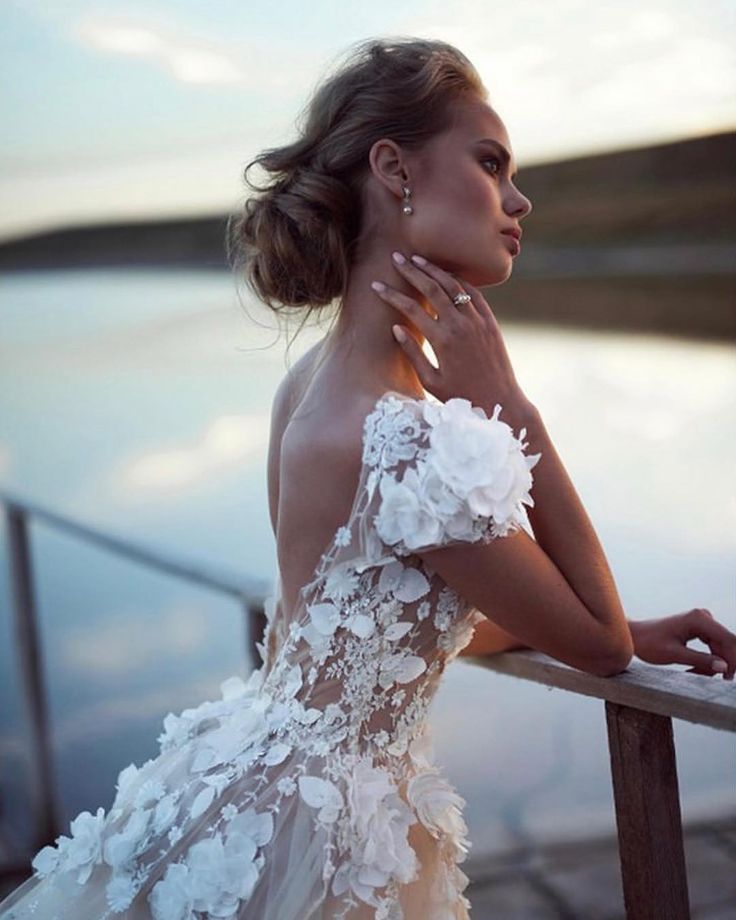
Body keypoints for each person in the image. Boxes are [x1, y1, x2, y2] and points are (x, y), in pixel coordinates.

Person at [1, 35, 733, 920]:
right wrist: (513, 408)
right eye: (492, 162)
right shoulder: (404, 438)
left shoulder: (304, 387)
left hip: (246, 790)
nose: (518, 199)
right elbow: (602, 648)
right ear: (394, 168)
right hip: (330, 840)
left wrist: (612, 624)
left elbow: (363, 631)